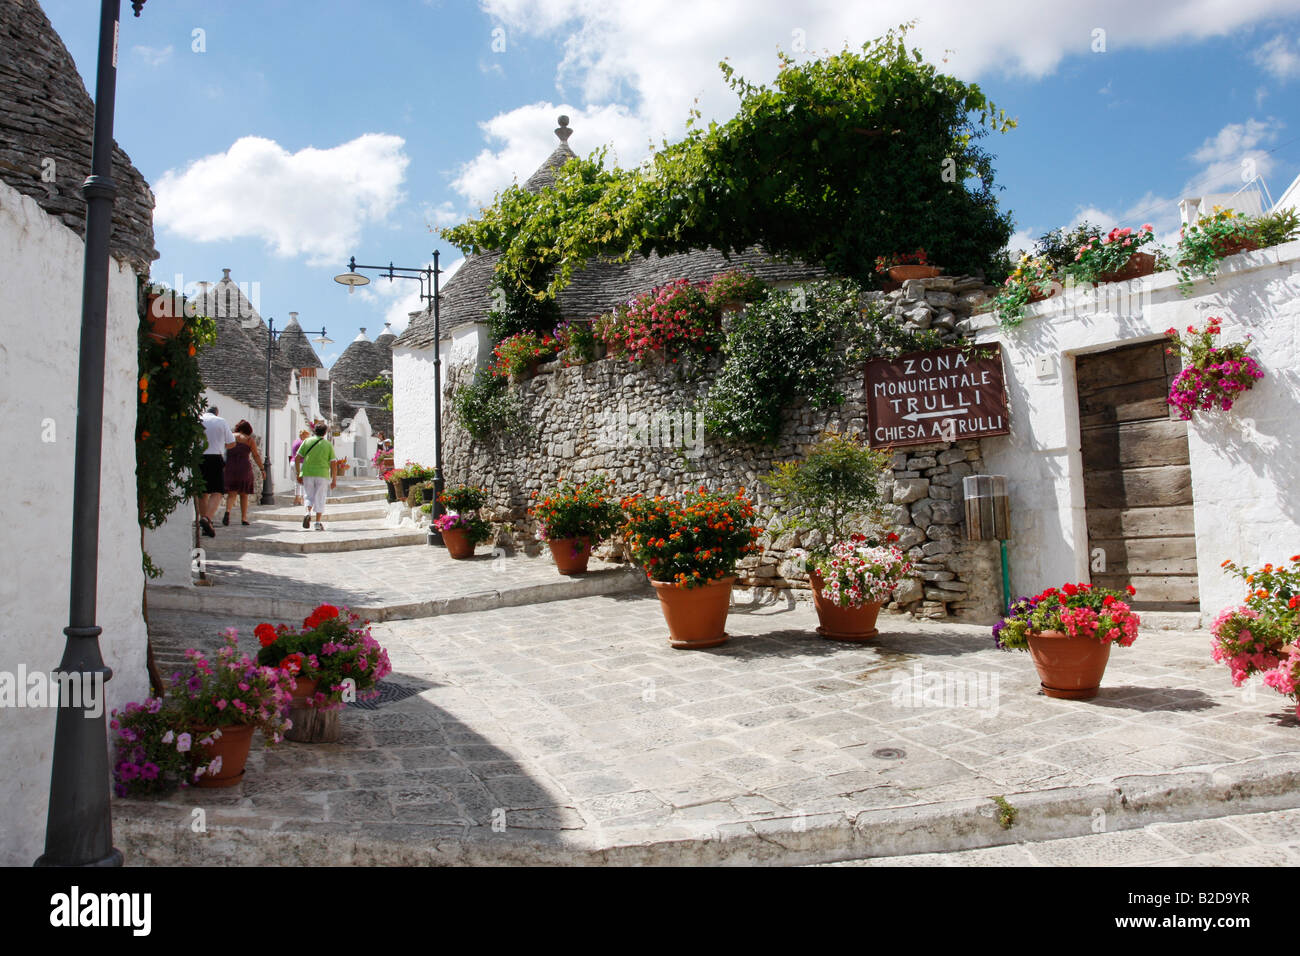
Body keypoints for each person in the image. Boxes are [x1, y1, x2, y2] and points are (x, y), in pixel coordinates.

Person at [198, 406, 235, 537]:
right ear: (216, 413)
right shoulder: (221, 421)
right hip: (215, 457)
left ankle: (205, 523)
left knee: (202, 492)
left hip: (199, 457)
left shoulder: (198, 419)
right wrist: (221, 444)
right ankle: (207, 518)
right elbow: (231, 443)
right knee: (217, 491)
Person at [222, 420, 266, 526]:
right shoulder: (249, 440)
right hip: (244, 467)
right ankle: (244, 518)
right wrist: (262, 469)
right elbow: (256, 455)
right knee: (244, 494)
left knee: (232, 493)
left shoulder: (231, 436)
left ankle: (227, 511)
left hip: (230, 466)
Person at [294, 423, 336, 531]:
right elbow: (333, 463)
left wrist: (298, 473)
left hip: (307, 472)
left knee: (308, 495)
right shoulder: (328, 444)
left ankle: (308, 512)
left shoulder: (307, 441)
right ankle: (317, 523)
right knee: (320, 497)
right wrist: (334, 479)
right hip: (322, 474)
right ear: (325, 433)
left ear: (314, 431)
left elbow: (297, 458)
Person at [289, 428, 311, 505]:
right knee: (303, 481)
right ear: (303, 435)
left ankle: (297, 498)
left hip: (292, 462)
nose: (308, 438)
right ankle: (301, 498)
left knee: (297, 480)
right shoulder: (303, 443)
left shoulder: (295, 441)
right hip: (300, 463)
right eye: (307, 436)